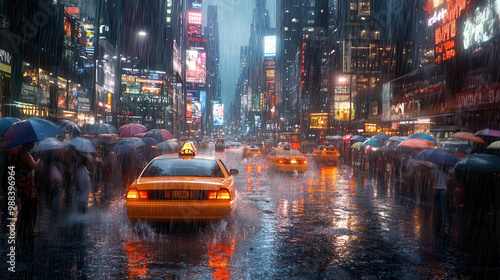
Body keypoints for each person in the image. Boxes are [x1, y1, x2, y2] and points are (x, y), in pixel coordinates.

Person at [16, 142, 40, 238]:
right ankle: (30, 230)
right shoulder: (24, 153)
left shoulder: (22, 152)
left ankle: (22, 228)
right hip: (27, 184)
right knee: (32, 205)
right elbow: (33, 165)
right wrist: (38, 161)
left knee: (26, 206)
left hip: (25, 182)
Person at [431, 165, 450, 236]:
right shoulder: (446, 173)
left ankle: (436, 214)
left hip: (436, 188)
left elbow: (432, 178)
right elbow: (448, 181)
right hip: (443, 189)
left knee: (436, 202)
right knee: (442, 203)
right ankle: (442, 217)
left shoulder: (436, 171)